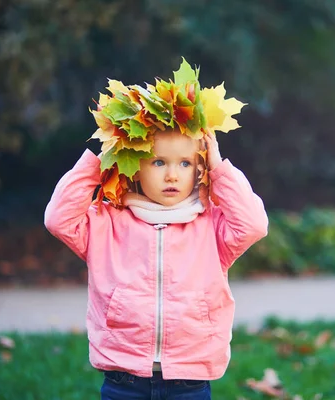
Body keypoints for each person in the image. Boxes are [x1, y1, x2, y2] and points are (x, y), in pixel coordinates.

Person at [44, 59, 268, 400]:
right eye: (158, 162)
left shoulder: (211, 226)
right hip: (123, 378)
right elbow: (58, 219)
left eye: (185, 163)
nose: (172, 175)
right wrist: (97, 161)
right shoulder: (107, 223)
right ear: (133, 166)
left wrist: (220, 167)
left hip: (190, 380)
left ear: (199, 167)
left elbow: (254, 224)